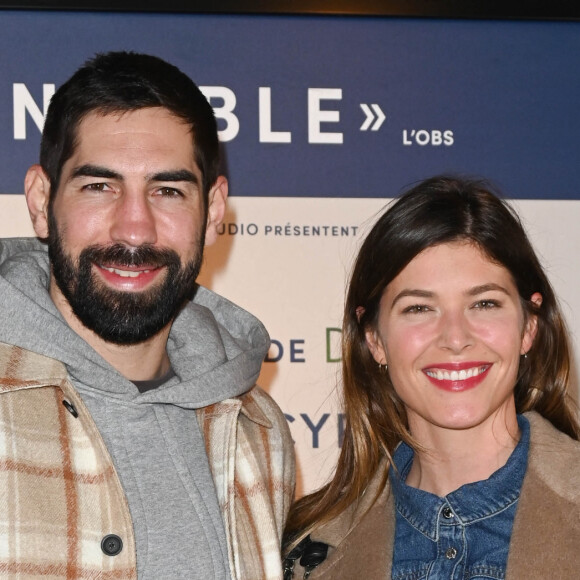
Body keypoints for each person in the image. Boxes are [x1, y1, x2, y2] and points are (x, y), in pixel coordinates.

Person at [0, 51, 294, 580]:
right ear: (42, 201)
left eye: (167, 191)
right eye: (99, 186)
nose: (134, 229)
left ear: (213, 211)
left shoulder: (256, 429)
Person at [283, 175, 580, 579]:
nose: (456, 338)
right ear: (374, 339)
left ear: (529, 327)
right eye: (419, 309)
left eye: (485, 303)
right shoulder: (301, 554)